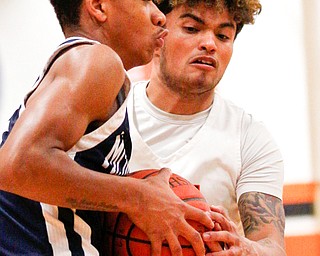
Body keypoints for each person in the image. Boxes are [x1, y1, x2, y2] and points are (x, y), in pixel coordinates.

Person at [0, 1, 215, 255]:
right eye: (145, 1)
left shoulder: (83, 65)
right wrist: (140, 197)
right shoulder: (97, 60)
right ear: (99, 6)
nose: (160, 17)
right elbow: (18, 165)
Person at [127, 0, 286, 255]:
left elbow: (273, 247)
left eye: (223, 35)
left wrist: (247, 250)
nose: (209, 44)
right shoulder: (109, 112)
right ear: (157, 34)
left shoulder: (250, 139)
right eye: (192, 28)